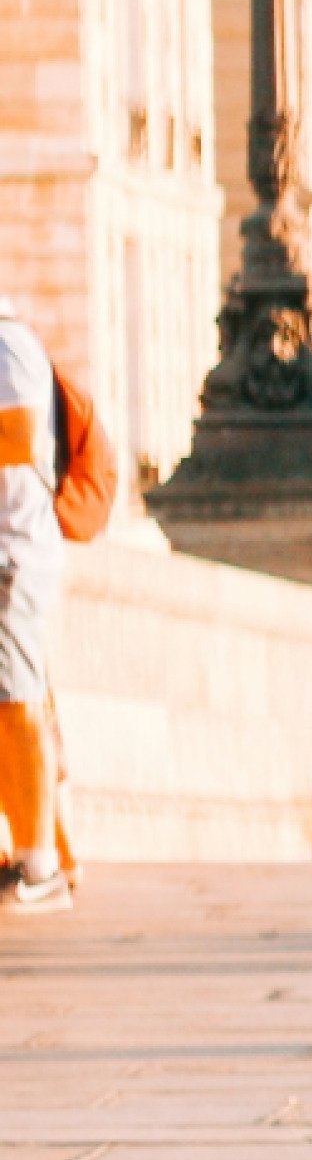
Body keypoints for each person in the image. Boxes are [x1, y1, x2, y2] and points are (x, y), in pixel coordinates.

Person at [0, 292, 76, 912]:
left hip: (12, 552)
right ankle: (43, 854)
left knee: (18, 701)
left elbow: (20, 434)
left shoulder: (6, 341)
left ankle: (41, 867)